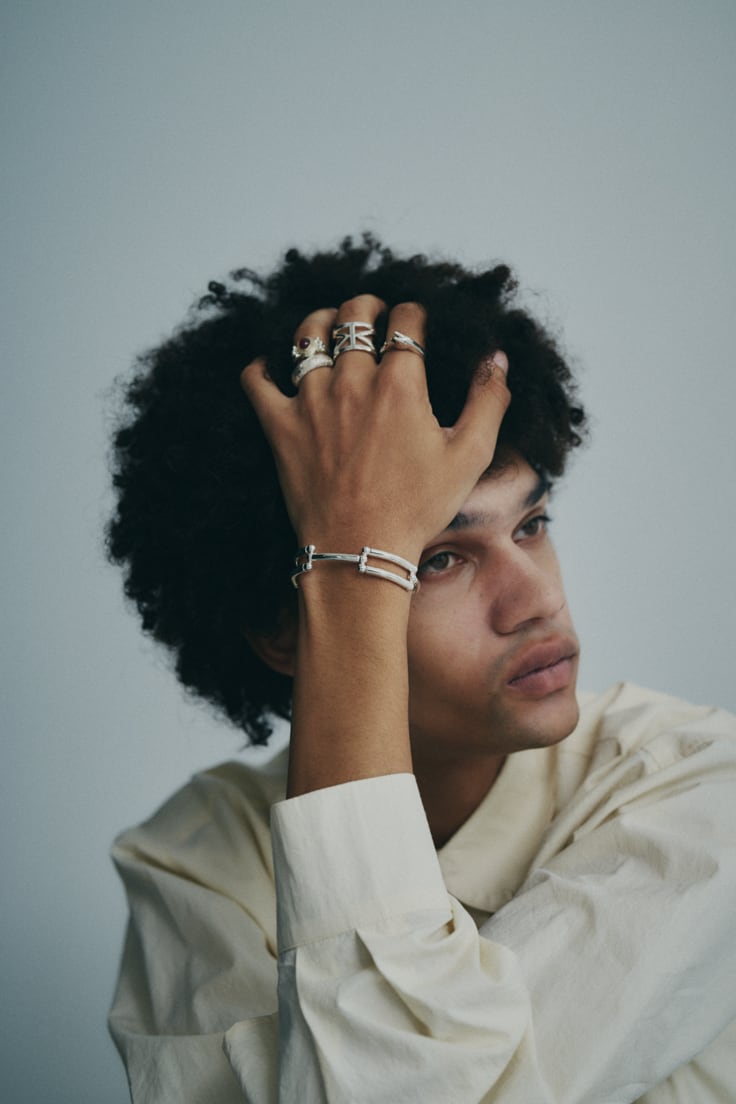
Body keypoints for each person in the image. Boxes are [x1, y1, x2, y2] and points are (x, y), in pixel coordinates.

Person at [107, 235, 736, 1103]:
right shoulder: (202, 857)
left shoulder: (700, 789)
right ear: (284, 629)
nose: (537, 601)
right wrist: (352, 560)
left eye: (531, 525)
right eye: (439, 559)